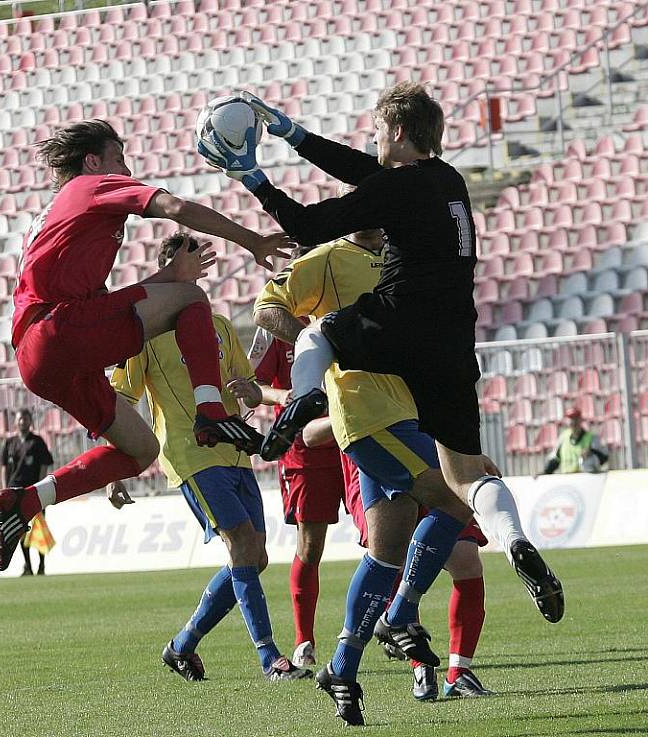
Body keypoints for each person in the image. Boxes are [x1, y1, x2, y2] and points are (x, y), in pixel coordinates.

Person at [199, 86, 563, 656]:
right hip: (453, 341)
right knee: (466, 474)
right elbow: (362, 170)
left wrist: (252, 175)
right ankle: (514, 538)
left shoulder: (396, 189)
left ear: (394, 133)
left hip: (400, 322)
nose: (371, 140)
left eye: (375, 130)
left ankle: (302, 400)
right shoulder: (448, 181)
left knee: (318, 332)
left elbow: (308, 224)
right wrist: (290, 132)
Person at [0, 119, 290, 572]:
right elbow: (175, 207)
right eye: (118, 158)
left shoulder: (58, 218)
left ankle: (26, 500)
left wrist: (167, 280)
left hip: (42, 356)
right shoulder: (92, 187)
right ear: (93, 162)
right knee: (192, 299)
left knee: (139, 450)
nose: (125, 168)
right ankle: (210, 414)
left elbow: (104, 310)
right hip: (56, 330)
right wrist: (252, 240)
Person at [243, 216, 491, 722]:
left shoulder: (407, 255)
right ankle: (396, 617)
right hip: (368, 415)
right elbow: (266, 309)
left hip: (408, 411)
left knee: (385, 551)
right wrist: (324, 343)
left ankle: (342, 667)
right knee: (457, 498)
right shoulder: (328, 259)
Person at [109, 232, 311, 682]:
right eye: (191, 260)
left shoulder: (216, 325)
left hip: (234, 449)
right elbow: (122, 396)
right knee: (240, 542)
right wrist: (115, 465)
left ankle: (182, 645)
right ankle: (269, 658)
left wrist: (251, 392)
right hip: (188, 451)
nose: (200, 268)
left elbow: (244, 383)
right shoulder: (142, 334)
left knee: (254, 557)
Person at [229, 321, 344, 668]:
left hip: (358, 432)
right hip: (303, 448)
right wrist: (281, 396)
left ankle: (395, 623)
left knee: (383, 531)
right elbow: (252, 386)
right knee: (310, 546)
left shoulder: (338, 303)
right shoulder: (275, 320)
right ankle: (303, 639)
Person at [0, 408, 55, 575]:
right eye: (20, 419)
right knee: (20, 531)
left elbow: (44, 465)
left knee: (39, 529)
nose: (23, 422)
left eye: (26, 419)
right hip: (15, 493)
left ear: (31, 422)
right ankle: (28, 566)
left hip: (33, 491)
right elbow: (4, 468)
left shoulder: (37, 442)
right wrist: (4, 489)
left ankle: (42, 566)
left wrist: (40, 488)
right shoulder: (9, 443)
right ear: (16, 422)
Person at [541, 407, 609, 475]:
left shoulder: (592, 438)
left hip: (586, 479)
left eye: (576, 419)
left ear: (580, 420)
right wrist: (545, 473)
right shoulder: (563, 438)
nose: (573, 422)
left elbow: (604, 457)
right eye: (571, 419)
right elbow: (555, 460)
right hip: (568, 479)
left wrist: (591, 452)